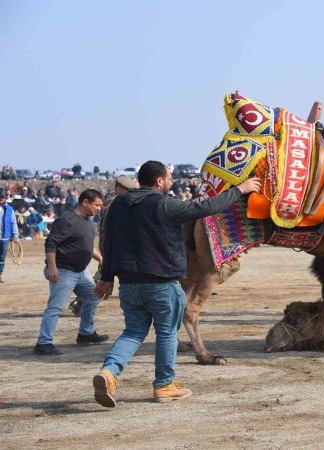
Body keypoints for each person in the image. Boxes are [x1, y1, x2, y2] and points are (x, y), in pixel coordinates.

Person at [92, 161, 262, 408]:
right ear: (159, 181)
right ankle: (164, 385)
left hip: (129, 283)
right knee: (167, 332)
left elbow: (109, 243)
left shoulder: (117, 205)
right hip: (161, 282)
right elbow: (206, 207)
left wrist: (106, 277)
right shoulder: (164, 204)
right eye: (169, 178)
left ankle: (108, 373)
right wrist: (240, 190)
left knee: (133, 332)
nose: (171, 182)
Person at [33, 189, 106, 356]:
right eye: (97, 205)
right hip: (64, 271)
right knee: (55, 307)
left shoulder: (89, 221)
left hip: (81, 271)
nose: (99, 209)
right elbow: (51, 243)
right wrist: (52, 267)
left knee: (93, 297)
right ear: (85, 202)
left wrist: (100, 259)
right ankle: (43, 343)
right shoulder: (67, 220)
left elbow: (87, 245)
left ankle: (86, 333)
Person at [69, 175, 138, 317]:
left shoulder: (112, 204)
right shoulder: (113, 205)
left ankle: (80, 302)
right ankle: (80, 302)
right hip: (112, 250)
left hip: (111, 249)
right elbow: (108, 231)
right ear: (119, 189)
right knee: (102, 279)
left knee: (101, 277)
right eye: (126, 190)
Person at [0, 189, 20, 283]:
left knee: (2, 257)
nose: (1, 199)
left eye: (2, 197)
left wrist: (15, 235)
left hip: (5, 237)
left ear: (5, 198)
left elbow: (13, 223)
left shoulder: (9, 209)